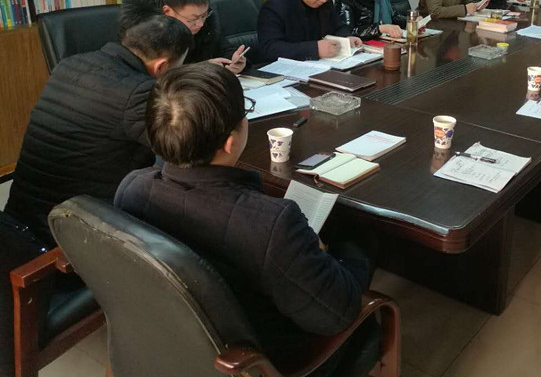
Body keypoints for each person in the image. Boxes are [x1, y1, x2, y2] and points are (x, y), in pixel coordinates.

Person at [115, 63, 379, 376]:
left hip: (171, 342)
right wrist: (333, 254)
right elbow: (336, 314)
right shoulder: (273, 224)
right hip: (263, 360)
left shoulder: (131, 188)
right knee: (359, 245)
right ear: (230, 141)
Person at [5, 15, 192, 244]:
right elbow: (182, 150)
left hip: (21, 214)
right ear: (161, 66)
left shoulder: (69, 64)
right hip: (67, 229)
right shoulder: (139, 91)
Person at [120, 0, 247, 74]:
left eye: (204, 15)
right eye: (193, 19)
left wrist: (233, 60)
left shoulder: (205, 20)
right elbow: (144, 77)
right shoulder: (144, 33)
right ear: (168, 11)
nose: (200, 24)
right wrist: (196, 70)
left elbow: (223, 48)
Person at [256, 0, 361, 63]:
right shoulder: (275, 6)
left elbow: (338, 26)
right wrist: (315, 49)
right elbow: (269, 49)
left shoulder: (325, 2)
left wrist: (346, 38)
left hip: (322, 66)